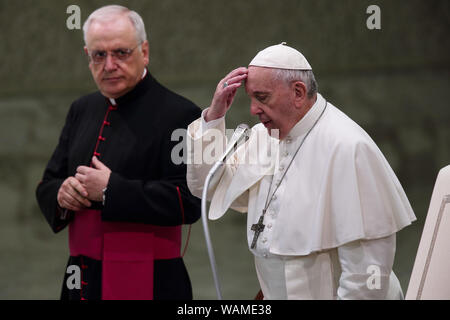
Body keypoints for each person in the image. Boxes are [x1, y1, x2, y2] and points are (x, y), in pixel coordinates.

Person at [186, 43, 416, 299]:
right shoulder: (264, 136)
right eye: (250, 98)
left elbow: (365, 272)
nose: (252, 110)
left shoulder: (348, 147)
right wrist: (215, 117)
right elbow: (209, 186)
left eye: (261, 98)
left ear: (298, 92)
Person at [36, 5, 201, 300]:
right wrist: (62, 194)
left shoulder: (181, 114)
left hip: (152, 278)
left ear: (145, 51)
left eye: (121, 52)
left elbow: (188, 201)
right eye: (99, 55)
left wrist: (112, 190)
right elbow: (47, 183)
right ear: (88, 56)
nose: (109, 64)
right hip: (82, 276)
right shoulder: (81, 110)